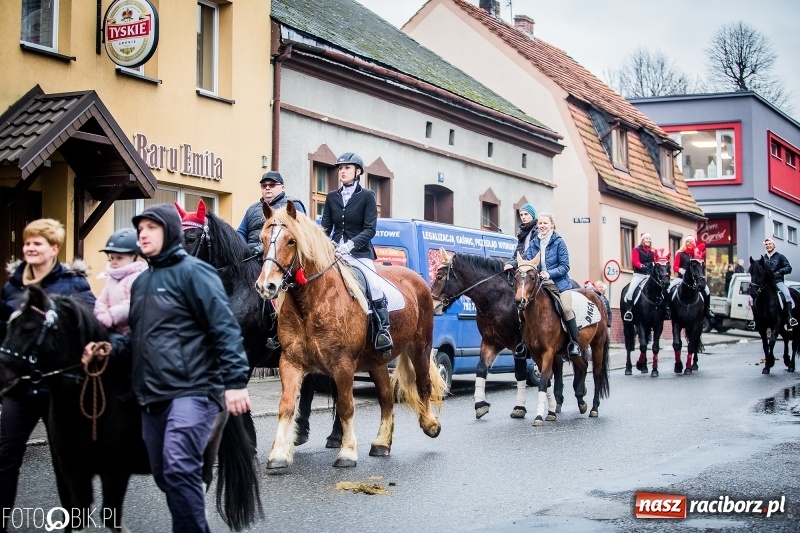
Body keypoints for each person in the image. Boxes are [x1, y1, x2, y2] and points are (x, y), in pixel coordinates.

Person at [84, 205, 251, 532]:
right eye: (140, 227)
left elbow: (225, 329)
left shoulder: (196, 273)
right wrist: (107, 349)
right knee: (164, 474)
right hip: (152, 394)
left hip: (194, 389)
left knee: (178, 468)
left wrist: (234, 383)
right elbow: (138, 338)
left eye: (151, 227)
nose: (142, 233)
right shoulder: (143, 283)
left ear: (171, 232)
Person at [0, 219, 95, 530]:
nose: (29, 248)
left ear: (54, 249)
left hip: (60, 388)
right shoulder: (13, 285)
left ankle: (73, 524)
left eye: (37, 243)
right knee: (6, 456)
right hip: (19, 385)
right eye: (27, 242)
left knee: (64, 461)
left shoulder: (73, 283)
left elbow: (90, 323)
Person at [321, 152, 393, 357]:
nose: (342, 171)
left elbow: (370, 229)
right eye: (340, 168)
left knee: (375, 284)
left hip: (359, 253)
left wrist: (350, 245)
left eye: (347, 168)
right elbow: (325, 227)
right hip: (334, 252)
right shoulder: (332, 197)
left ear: (358, 171)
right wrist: (327, 243)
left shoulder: (367, 196)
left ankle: (383, 331)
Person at [520, 213, 580, 358]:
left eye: (545, 223)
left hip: (558, 284)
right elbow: (526, 259)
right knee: (521, 308)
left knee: (566, 309)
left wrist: (549, 273)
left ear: (552, 224)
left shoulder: (559, 242)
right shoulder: (534, 243)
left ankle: (574, 343)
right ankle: (523, 344)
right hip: (539, 285)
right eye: (540, 224)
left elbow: (565, 266)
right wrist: (512, 264)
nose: (542, 226)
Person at [237, 170, 307, 257]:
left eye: (272, 185)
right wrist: (244, 251)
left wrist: (265, 247)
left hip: (278, 258)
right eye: (264, 185)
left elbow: (302, 234)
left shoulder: (292, 205)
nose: (267, 188)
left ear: (283, 187)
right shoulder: (252, 209)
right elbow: (241, 233)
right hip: (250, 257)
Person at [93, 228, 147, 334]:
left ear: (135, 257)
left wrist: (111, 315)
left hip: (132, 332)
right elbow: (102, 301)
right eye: (111, 258)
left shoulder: (138, 278)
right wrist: (101, 314)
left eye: (119, 258)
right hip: (113, 329)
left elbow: (131, 303)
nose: (114, 262)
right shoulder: (111, 278)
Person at [756, 236, 798, 330]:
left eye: (769, 244)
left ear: (774, 245)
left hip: (777, 282)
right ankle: (755, 320)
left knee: (787, 295)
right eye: (766, 245)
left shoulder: (780, 257)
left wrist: (779, 272)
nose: (768, 246)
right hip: (766, 284)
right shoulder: (764, 258)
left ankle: (790, 318)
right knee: (754, 296)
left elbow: (788, 268)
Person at [670, 235, 714, 319]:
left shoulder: (697, 255)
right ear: (685, 243)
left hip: (695, 280)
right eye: (688, 241)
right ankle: (668, 308)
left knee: (707, 290)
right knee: (669, 288)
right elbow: (675, 266)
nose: (690, 243)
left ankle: (707, 309)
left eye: (692, 242)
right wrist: (681, 270)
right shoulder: (680, 253)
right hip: (681, 279)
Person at [623, 232, 655, 321]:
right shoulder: (636, 249)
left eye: (649, 239)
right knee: (630, 292)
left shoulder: (652, 252)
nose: (648, 240)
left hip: (649, 276)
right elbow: (635, 261)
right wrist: (642, 266)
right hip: (639, 275)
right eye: (646, 238)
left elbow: (654, 262)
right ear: (642, 240)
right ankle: (628, 311)